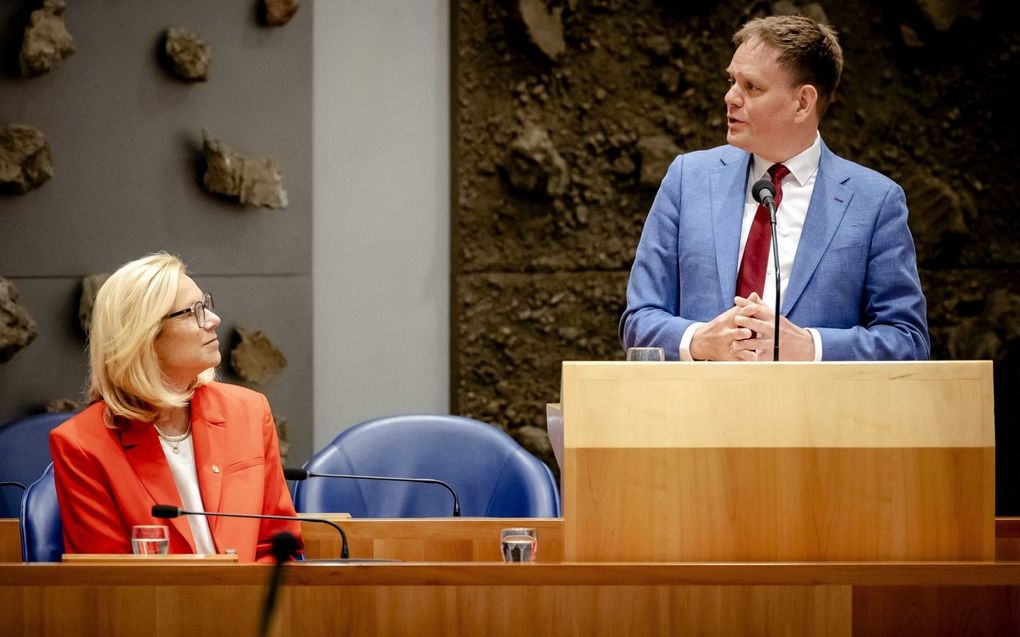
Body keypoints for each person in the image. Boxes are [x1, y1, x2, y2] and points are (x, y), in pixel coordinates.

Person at [620, 15, 929, 361]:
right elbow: (639, 319)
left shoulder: (875, 202)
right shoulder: (687, 179)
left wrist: (810, 346)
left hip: (813, 412)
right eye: (732, 81)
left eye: (752, 87)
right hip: (697, 409)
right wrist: (700, 339)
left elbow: (908, 340)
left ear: (803, 103)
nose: (730, 97)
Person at [50, 252, 302, 562]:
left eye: (206, 305)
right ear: (144, 336)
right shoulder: (81, 445)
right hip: (157, 608)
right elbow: (109, 580)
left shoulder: (249, 410)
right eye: (191, 312)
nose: (213, 320)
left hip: (252, 604)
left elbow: (277, 546)